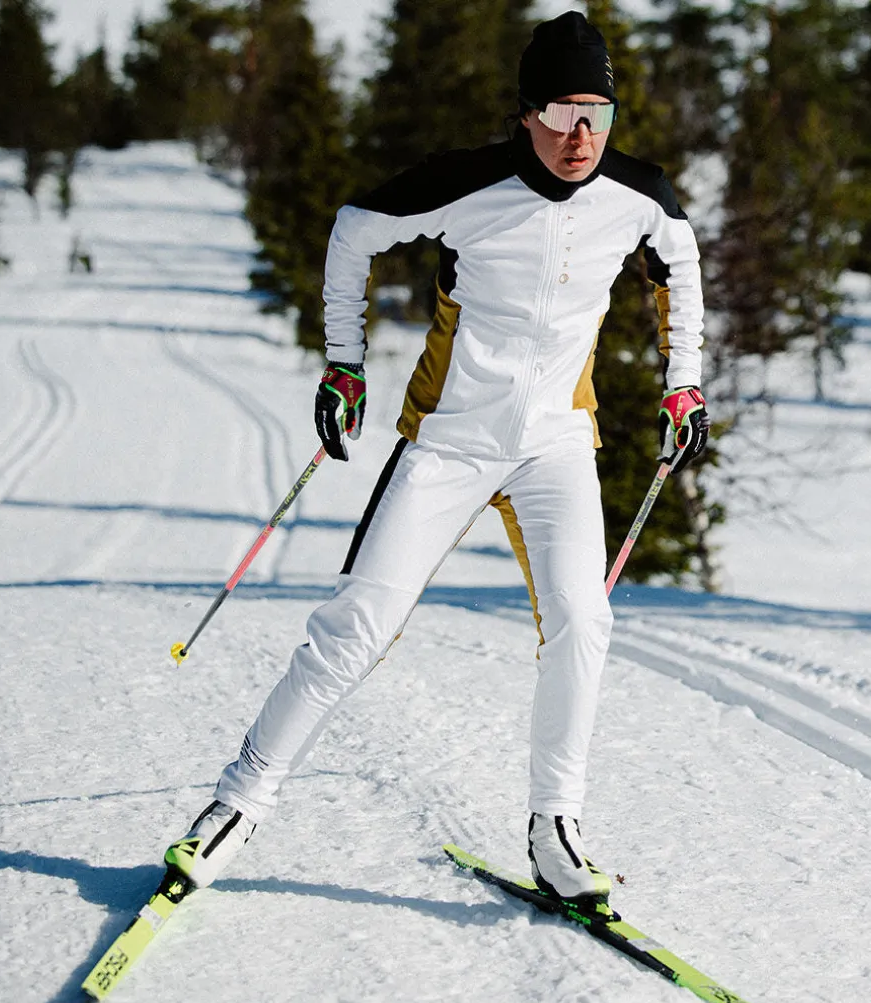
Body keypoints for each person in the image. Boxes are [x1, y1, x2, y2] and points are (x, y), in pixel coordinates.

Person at [165, 11, 709, 907]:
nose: (581, 135)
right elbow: (352, 230)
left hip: (556, 445)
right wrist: (344, 363)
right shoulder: (467, 184)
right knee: (358, 627)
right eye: (562, 112)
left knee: (583, 621)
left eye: (598, 114)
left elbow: (679, 263)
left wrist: (682, 381)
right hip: (450, 440)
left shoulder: (638, 195)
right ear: (526, 113)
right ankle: (236, 804)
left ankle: (555, 830)